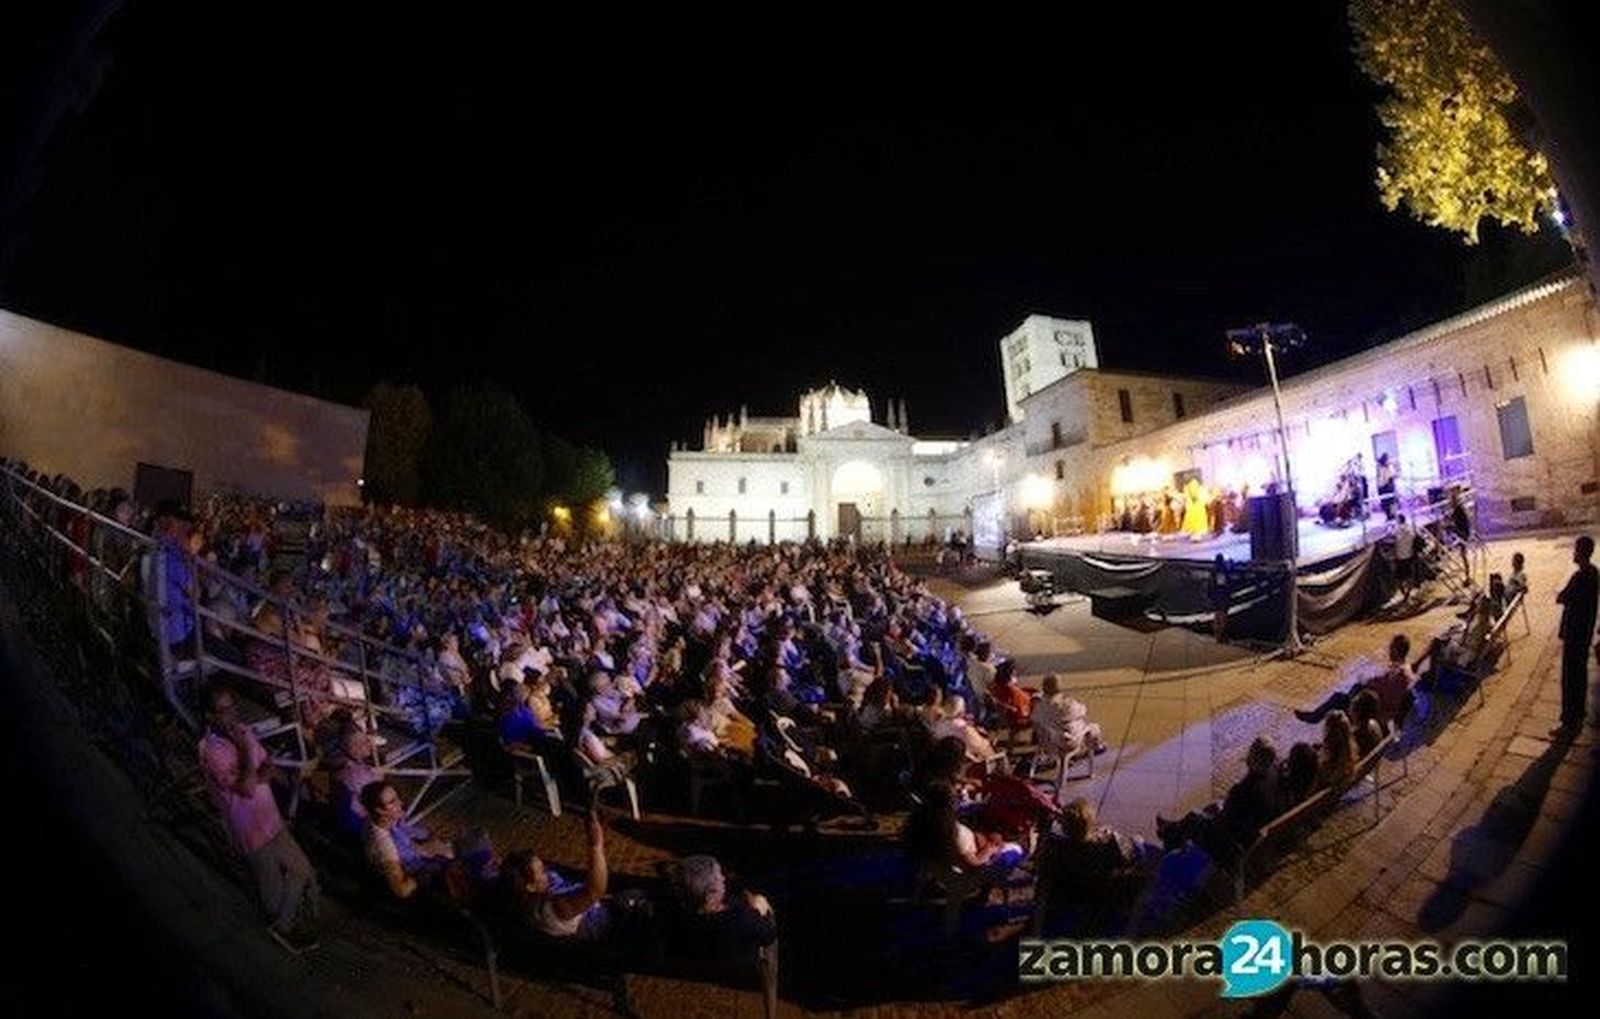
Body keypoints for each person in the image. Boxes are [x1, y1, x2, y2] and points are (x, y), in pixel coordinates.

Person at [199, 679, 319, 952]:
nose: (231, 715)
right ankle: (282, 928)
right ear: (210, 716)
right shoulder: (211, 751)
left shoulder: (243, 731)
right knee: (273, 898)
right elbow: (247, 787)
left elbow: (267, 766)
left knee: (302, 869)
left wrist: (258, 774)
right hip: (251, 831)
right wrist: (245, 755)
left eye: (232, 707)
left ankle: (286, 923)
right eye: (223, 710)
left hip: (271, 819)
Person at [502, 812, 612, 940]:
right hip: (605, 931)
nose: (547, 873)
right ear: (530, 887)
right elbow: (595, 891)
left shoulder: (523, 902)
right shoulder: (556, 908)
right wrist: (596, 846)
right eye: (542, 871)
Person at [359, 781, 455, 900]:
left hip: (422, 861)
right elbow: (401, 890)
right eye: (392, 802)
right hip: (423, 875)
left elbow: (408, 844)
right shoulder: (384, 845)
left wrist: (428, 844)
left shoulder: (379, 820)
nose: (401, 803)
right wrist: (423, 874)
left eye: (397, 798)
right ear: (380, 810)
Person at [1296, 634, 1413, 731]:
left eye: (1391, 648)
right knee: (1355, 689)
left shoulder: (1398, 673)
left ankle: (1315, 718)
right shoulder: (1405, 668)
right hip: (1386, 708)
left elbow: (1386, 694)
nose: (1389, 651)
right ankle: (1321, 716)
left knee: (1339, 699)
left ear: (1396, 651)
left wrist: (1369, 684)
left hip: (1381, 712)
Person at [673, 855, 777, 963]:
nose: (724, 878)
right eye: (719, 877)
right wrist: (760, 912)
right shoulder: (744, 920)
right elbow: (769, 935)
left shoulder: (675, 919)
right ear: (710, 895)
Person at [1553, 535, 1597, 737]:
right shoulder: (1594, 573)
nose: (1573, 553)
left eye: (1575, 549)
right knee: (1580, 676)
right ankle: (1578, 715)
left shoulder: (1580, 577)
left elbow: (1562, 597)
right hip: (1584, 633)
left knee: (1571, 679)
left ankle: (1569, 722)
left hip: (1574, 635)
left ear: (1581, 553)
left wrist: (1561, 594)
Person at [1393, 514, 1417, 600]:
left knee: (1399, 578)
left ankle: (1404, 594)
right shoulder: (1409, 529)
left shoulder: (1397, 529)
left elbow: (1394, 537)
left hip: (1400, 557)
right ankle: (1407, 593)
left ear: (1399, 520)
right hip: (1409, 556)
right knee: (1409, 576)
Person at [1208, 554, 1230, 643]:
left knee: (1217, 616)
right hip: (1221, 598)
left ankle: (1217, 636)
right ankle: (1220, 636)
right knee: (1222, 617)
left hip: (1215, 597)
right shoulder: (1220, 572)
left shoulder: (1213, 571)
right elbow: (1222, 584)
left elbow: (1211, 586)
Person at [1375, 453, 1397, 520]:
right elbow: (1381, 479)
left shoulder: (1389, 467)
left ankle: (1392, 515)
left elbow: (1392, 476)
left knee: (1391, 502)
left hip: (1388, 486)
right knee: (1386, 503)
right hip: (1383, 487)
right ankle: (1389, 516)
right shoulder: (1381, 468)